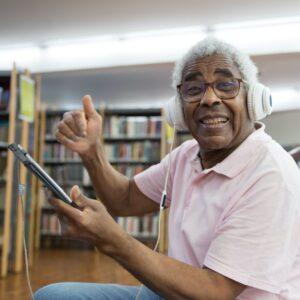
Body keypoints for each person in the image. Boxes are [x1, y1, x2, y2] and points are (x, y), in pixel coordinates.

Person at [34, 38, 300, 299]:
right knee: (53, 295)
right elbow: (125, 200)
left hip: (206, 293)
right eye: (193, 89)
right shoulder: (186, 155)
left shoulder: (271, 174)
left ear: (253, 99)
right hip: (178, 292)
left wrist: (111, 239)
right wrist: (92, 152)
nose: (209, 99)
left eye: (226, 85)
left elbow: (215, 291)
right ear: (179, 108)